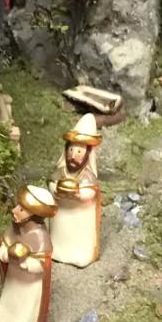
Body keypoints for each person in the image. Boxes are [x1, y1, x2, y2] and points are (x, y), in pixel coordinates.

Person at [0, 185, 57, 322]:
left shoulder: (39, 237)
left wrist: (25, 261)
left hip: (29, 283)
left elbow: (42, 264)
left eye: (21, 209)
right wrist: (7, 253)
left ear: (33, 214)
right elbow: (3, 244)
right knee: (10, 297)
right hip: (14, 276)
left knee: (24, 304)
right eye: (18, 206)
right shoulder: (14, 228)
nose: (14, 210)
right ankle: (3, 318)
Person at [49, 113, 103, 268]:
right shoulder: (61, 171)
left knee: (78, 236)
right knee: (60, 233)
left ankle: (80, 255)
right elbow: (51, 183)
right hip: (62, 214)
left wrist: (78, 195)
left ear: (87, 154)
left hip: (80, 216)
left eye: (79, 152)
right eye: (71, 150)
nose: (73, 156)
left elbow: (90, 192)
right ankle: (57, 250)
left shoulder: (87, 176)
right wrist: (56, 190)